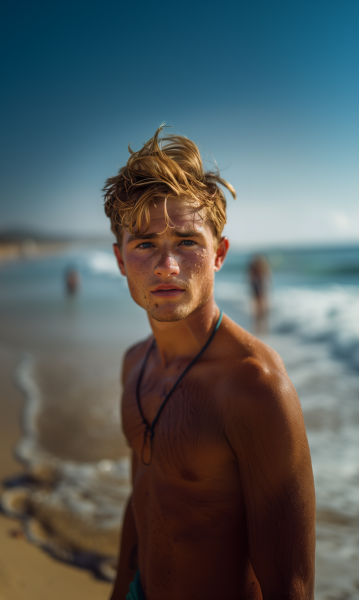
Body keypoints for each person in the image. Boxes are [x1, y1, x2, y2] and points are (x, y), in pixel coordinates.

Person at [103, 127, 315, 600]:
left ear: (218, 253)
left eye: (187, 242)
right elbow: (144, 499)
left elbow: (292, 587)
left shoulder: (254, 387)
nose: (167, 266)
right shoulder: (134, 365)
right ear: (120, 260)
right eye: (144, 245)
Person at [248, 254, 271, 334]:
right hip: (259, 291)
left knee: (260, 311)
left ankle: (261, 330)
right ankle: (261, 330)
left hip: (259, 291)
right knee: (261, 311)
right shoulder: (260, 268)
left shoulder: (255, 268)